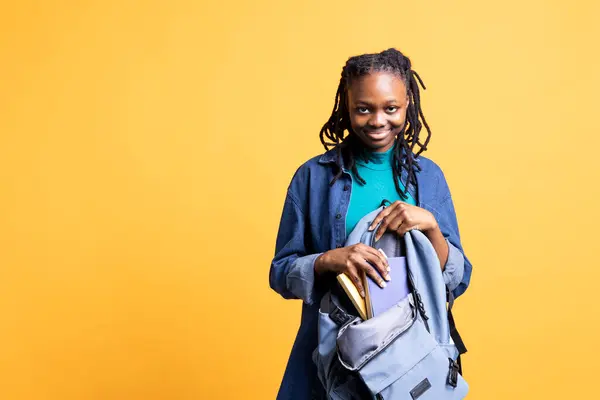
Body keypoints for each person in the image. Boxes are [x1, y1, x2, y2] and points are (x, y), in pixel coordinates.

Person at [269, 48, 473, 400]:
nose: (378, 120)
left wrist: (431, 228)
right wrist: (330, 259)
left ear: (408, 102)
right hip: (333, 358)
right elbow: (280, 273)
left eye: (390, 108)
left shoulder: (429, 178)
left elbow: (457, 277)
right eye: (364, 108)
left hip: (408, 363)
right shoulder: (313, 178)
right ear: (346, 106)